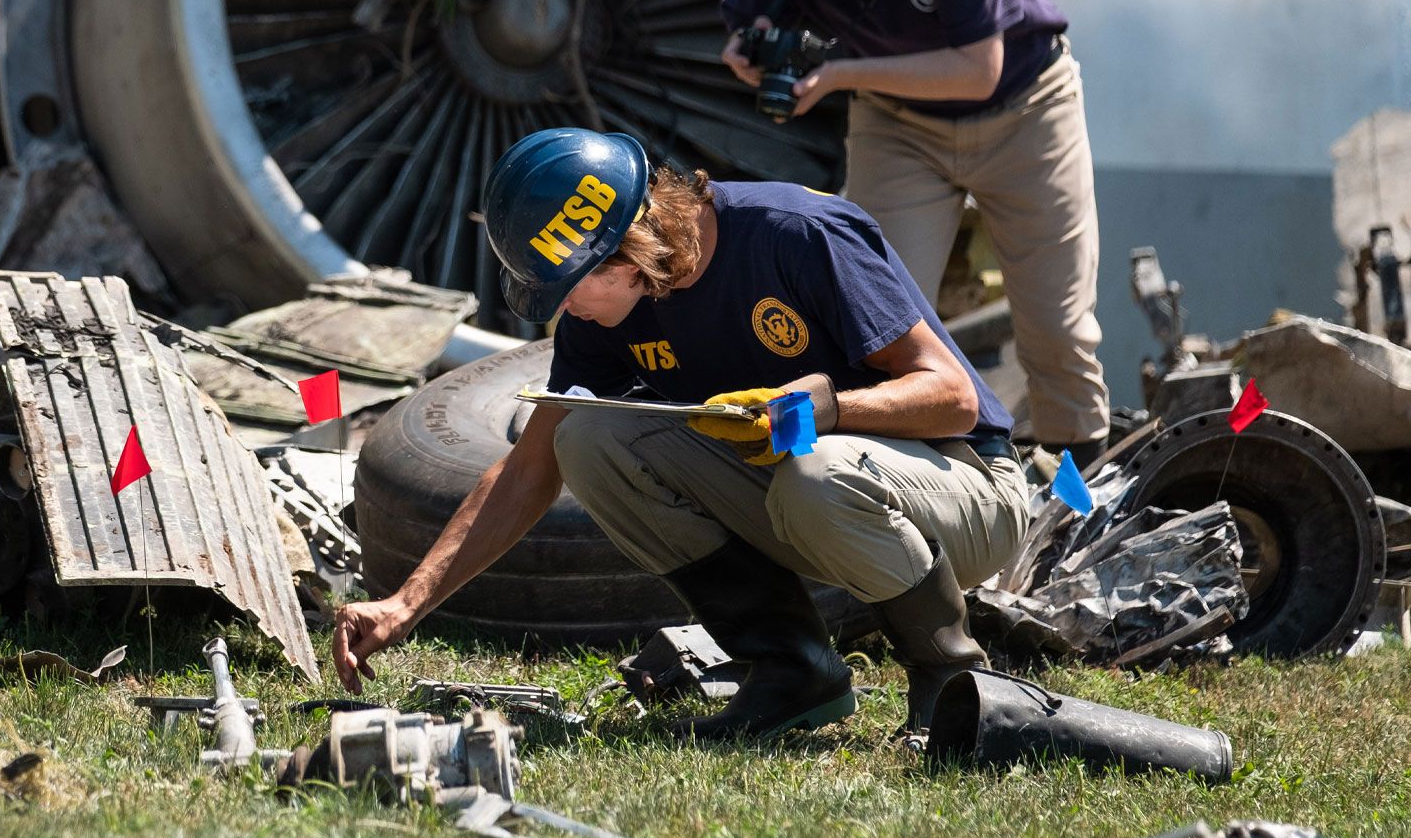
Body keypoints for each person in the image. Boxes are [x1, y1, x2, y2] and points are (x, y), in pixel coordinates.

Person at [332, 128, 1030, 739]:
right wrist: (404, 604)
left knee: (815, 472)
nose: (562, 311)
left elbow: (955, 399)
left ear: (625, 255)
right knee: (587, 440)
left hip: (966, 490)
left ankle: (948, 674)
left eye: (566, 287)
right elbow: (529, 465)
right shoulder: (606, 317)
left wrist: (829, 410)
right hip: (824, 502)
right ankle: (793, 670)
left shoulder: (795, 233)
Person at [719, 0, 1108, 466]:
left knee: (1057, 331)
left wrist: (839, 75)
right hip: (896, 121)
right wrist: (754, 43)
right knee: (874, 321)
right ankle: (896, 492)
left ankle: (1080, 498)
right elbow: (751, 11)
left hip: (1025, 106)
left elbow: (979, 69)